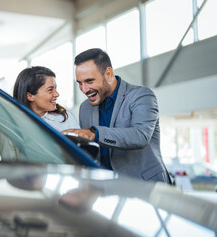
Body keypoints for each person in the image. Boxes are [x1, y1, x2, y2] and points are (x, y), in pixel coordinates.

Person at [63, 48, 171, 183]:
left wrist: (94, 134)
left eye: (89, 81)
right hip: (106, 191)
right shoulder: (85, 108)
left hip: (146, 186)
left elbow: (141, 136)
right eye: (79, 83)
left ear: (108, 74)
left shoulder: (142, 96)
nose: (84, 89)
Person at [0, 66, 80, 161]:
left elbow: (81, 156)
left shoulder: (66, 118)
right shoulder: (11, 125)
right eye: (50, 90)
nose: (56, 94)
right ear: (30, 96)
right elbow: (9, 166)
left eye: (55, 88)